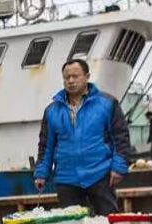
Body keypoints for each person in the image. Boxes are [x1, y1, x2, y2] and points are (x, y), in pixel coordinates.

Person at [34, 58, 132, 215]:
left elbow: (121, 137)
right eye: (67, 77)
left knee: (108, 223)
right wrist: (41, 172)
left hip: (100, 175)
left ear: (87, 76)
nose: (71, 81)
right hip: (67, 180)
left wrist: (119, 167)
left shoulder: (107, 103)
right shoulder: (52, 111)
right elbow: (46, 146)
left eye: (75, 76)